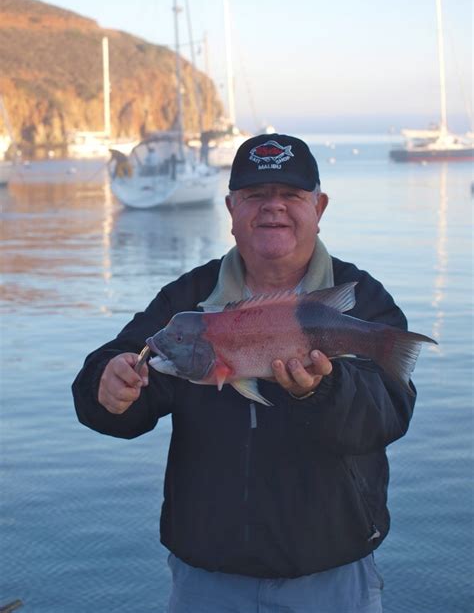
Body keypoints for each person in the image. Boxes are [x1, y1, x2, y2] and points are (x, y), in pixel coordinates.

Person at [73, 133, 416, 613]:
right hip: (206, 581)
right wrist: (105, 387)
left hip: (333, 576)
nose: (272, 207)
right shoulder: (187, 302)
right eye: (256, 195)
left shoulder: (361, 299)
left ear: (319, 207)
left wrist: (326, 389)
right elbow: (126, 367)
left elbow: (391, 412)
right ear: (231, 209)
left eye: (291, 195)